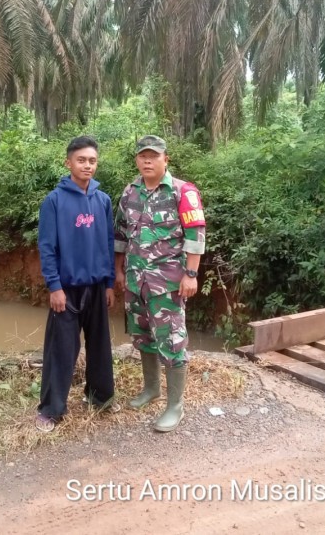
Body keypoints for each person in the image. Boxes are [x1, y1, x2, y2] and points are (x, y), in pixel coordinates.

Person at [114, 135, 206, 432]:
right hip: (136, 282)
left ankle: (175, 406)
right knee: (143, 336)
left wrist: (191, 274)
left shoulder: (182, 192)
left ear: (166, 158)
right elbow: (120, 236)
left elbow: (195, 236)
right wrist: (118, 271)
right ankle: (151, 388)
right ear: (137, 160)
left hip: (167, 284)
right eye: (143, 156)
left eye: (154, 156)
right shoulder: (130, 192)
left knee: (172, 342)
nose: (148, 161)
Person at [35, 135, 119, 432]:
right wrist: (54, 286)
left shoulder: (103, 200)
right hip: (66, 289)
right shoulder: (54, 201)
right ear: (68, 162)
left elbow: (108, 244)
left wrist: (109, 283)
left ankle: (100, 398)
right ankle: (51, 410)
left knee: (99, 346)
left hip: (97, 286)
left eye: (92, 161)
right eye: (81, 160)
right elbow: (46, 247)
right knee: (61, 350)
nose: (87, 165)